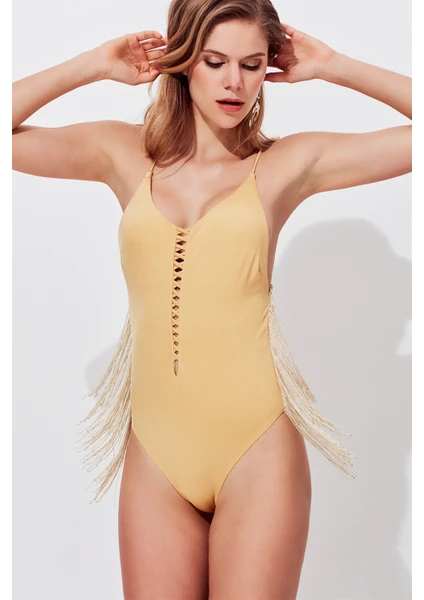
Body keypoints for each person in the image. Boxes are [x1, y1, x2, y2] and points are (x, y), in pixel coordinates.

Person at [12, 0, 411, 597]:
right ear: (182, 61)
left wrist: (335, 66)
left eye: (251, 65)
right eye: (214, 61)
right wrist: (92, 65)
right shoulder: (122, 153)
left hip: (258, 451)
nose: (234, 83)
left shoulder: (285, 164)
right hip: (156, 456)